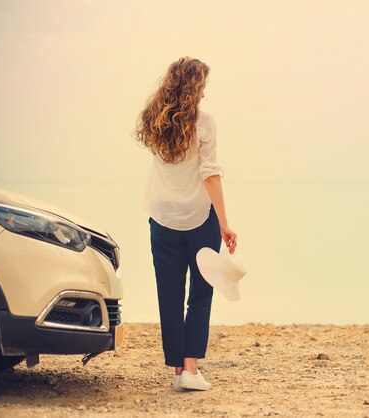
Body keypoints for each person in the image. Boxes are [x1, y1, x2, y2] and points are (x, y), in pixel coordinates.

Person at [135, 56, 237, 391]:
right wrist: (225, 223)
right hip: (199, 217)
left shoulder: (153, 121)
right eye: (203, 87)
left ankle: (178, 369)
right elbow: (210, 175)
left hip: (162, 216)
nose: (205, 94)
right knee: (202, 290)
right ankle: (190, 369)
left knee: (169, 292)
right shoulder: (205, 123)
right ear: (194, 89)